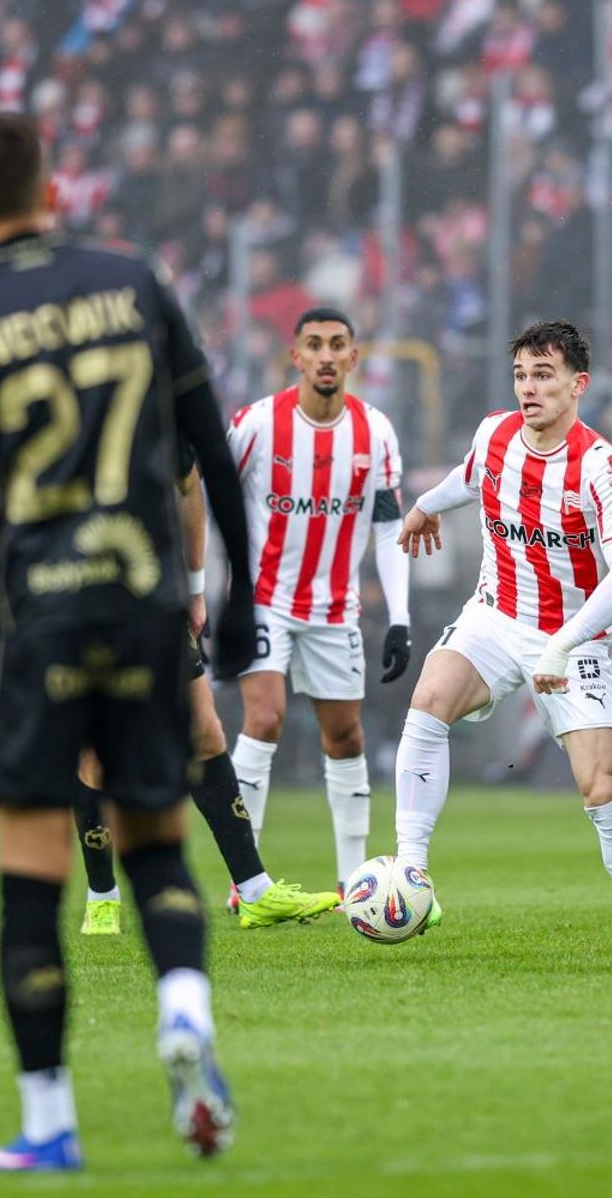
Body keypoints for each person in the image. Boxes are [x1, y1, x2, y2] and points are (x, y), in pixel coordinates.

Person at [0, 112, 254, 1169]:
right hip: (145, 602)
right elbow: (212, 452)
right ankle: (185, 1011)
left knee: (31, 866)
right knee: (155, 838)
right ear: (52, 188)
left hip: (38, 615)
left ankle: (49, 1120)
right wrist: (230, 591)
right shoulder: (134, 282)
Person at [0, 458, 340, 934]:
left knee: (204, 730)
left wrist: (196, 587)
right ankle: (103, 899)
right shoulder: (48, 394)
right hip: (68, 597)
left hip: (151, 591)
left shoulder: (158, 397)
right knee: (94, 753)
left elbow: (189, 486)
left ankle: (255, 890)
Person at [394, 319, 612, 955]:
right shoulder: (494, 433)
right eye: (521, 374)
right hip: (495, 614)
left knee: (600, 786)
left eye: (544, 375)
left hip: (569, 636)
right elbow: (466, 479)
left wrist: (562, 645)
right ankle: (412, 877)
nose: (529, 388)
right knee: (429, 701)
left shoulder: (601, 467)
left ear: (579, 385)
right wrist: (424, 507)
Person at [226, 307, 411, 895]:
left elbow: (388, 526)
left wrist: (400, 619)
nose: (327, 355)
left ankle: (349, 883)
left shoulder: (375, 432)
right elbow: (206, 498)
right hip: (263, 598)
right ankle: (245, 878)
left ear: (354, 358)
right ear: (296, 356)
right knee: (265, 717)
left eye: (338, 345)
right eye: (314, 344)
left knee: (346, 737)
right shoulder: (257, 425)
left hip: (334, 606)